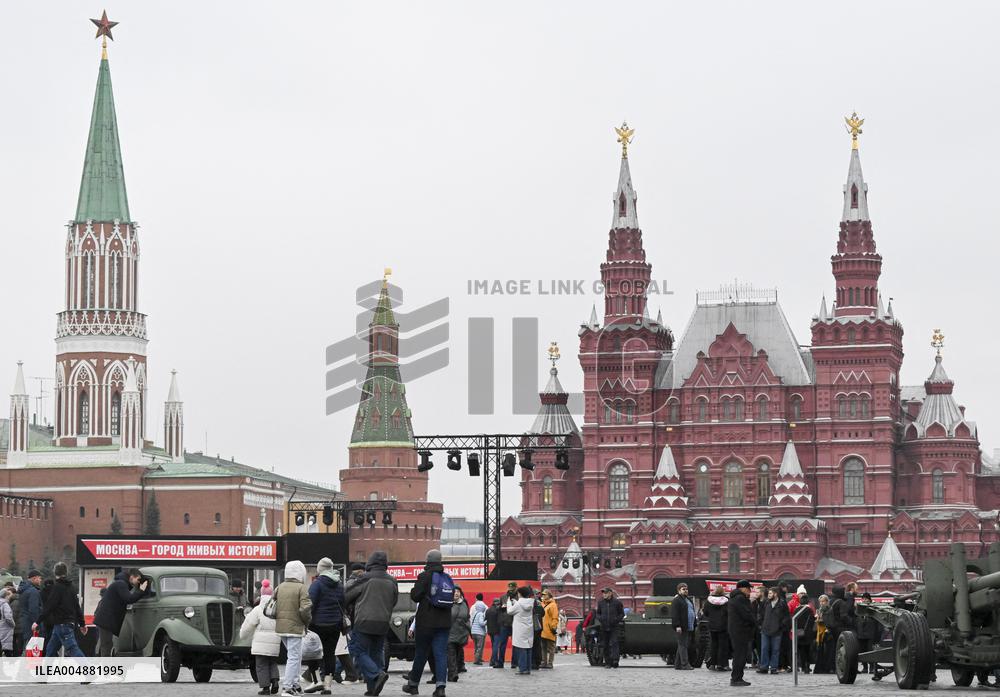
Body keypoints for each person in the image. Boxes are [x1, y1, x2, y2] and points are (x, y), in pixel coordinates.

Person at [343, 550, 395, 697]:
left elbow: (346, 595)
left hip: (364, 621)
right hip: (384, 622)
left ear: (370, 563)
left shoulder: (364, 578)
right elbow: (394, 600)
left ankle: (377, 674)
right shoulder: (392, 580)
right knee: (376, 653)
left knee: (356, 650)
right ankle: (372, 689)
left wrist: (352, 607)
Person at [403, 550, 452, 697]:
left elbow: (415, 596)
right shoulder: (447, 577)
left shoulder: (424, 576)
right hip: (444, 623)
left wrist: (415, 588)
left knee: (421, 653)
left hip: (426, 623)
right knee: (441, 654)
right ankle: (440, 687)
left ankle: (413, 685)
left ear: (427, 561)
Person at [275, 559, 313, 697]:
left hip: (281, 627)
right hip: (295, 627)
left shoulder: (280, 586)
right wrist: (307, 622)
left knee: (295, 656)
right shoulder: (301, 588)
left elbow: (273, 604)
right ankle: (287, 687)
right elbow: (305, 609)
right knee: (294, 657)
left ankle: (296, 685)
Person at [308, 557, 345, 694]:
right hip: (335, 624)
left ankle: (317, 680)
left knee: (312, 653)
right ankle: (328, 686)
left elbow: (310, 604)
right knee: (330, 654)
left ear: (320, 569)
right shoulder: (339, 585)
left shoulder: (317, 584)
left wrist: (307, 622)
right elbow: (343, 604)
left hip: (317, 625)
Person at [93, 568, 150, 657]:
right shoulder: (121, 584)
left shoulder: (121, 583)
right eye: (138, 579)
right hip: (106, 620)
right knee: (106, 646)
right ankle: (106, 668)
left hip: (106, 620)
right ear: (132, 577)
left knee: (107, 644)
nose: (138, 582)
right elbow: (129, 599)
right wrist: (141, 590)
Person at [37, 562, 87, 657]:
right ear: (66, 572)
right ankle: (46, 670)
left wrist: (38, 621)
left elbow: (49, 606)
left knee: (72, 649)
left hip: (62, 624)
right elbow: (77, 607)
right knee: (50, 649)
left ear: (55, 573)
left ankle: (87, 669)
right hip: (65, 624)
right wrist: (82, 624)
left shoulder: (57, 587)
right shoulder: (71, 587)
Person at [240, 579, 281, 695]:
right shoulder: (277, 609)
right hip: (275, 641)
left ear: (261, 594)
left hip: (260, 643)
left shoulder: (258, 609)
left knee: (261, 665)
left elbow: (248, 624)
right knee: (272, 662)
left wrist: (242, 635)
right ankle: (275, 680)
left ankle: (265, 688)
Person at [727, 580, 755, 687]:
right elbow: (746, 614)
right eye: (748, 588)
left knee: (739, 655)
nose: (750, 591)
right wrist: (754, 622)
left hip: (736, 630)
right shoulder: (740, 599)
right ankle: (736, 678)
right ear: (742, 588)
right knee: (740, 655)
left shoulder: (735, 598)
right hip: (741, 630)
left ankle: (737, 677)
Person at [758, 587, 789, 675]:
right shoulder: (766, 602)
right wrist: (760, 625)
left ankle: (774, 667)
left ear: (776, 594)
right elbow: (760, 614)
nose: (769, 595)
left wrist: (781, 626)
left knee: (775, 650)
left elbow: (786, 617)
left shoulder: (782, 603)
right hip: (765, 630)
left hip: (777, 631)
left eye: (770, 593)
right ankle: (764, 667)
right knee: (764, 649)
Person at [506, 586, 535, 675]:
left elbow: (510, 611)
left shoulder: (518, 604)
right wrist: (515, 602)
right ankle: (528, 668)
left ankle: (522, 668)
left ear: (520, 594)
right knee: (528, 648)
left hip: (520, 629)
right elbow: (521, 605)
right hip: (528, 628)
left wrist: (509, 603)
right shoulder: (530, 603)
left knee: (521, 649)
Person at [702, 585, 730, 672]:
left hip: (712, 626)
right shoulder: (726, 601)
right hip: (723, 626)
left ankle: (712, 664)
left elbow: (705, 612)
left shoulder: (709, 600)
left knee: (713, 645)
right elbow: (729, 613)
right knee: (723, 646)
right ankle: (722, 664)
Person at [596, 587, 625, 669]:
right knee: (605, 645)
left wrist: (616, 620)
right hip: (604, 626)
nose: (604, 594)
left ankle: (615, 661)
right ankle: (608, 662)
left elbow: (621, 614)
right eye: (603, 593)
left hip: (614, 626)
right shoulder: (600, 602)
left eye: (605, 593)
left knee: (614, 643)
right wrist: (601, 619)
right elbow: (598, 613)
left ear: (610, 593)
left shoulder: (617, 602)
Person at [491, 582, 518, 668]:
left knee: (515, 644)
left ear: (516, 588)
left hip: (515, 623)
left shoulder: (518, 597)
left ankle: (514, 663)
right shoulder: (503, 597)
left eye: (512, 589)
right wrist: (501, 607)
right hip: (504, 623)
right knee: (502, 644)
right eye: (509, 588)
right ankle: (500, 662)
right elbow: (497, 609)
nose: (511, 590)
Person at [446, 586, 470, 682]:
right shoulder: (447, 604)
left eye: (458, 592)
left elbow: (467, 618)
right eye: (454, 591)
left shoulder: (464, 604)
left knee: (457, 654)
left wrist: (469, 630)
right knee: (451, 655)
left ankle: (456, 670)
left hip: (461, 634)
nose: (456, 593)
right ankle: (453, 674)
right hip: (450, 633)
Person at [670, 583, 695, 670]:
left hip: (688, 625)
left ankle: (677, 664)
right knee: (683, 645)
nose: (685, 590)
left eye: (686, 589)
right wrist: (677, 626)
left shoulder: (687, 599)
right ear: (679, 590)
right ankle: (685, 664)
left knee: (682, 645)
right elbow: (675, 614)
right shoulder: (677, 600)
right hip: (681, 626)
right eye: (683, 589)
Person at [17, 569, 42, 656]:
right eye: (39, 578)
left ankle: (23, 668)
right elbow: (33, 609)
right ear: (34, 578)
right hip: (31, 624)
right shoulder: (33, 592)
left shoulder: (24, 590)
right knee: (31, 649)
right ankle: (24, 669)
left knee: (28, 647)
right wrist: (37, 622)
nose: (40, 580)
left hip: (24, 622)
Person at [793, 587, 815, 674]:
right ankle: (807, 666)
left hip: (799, 633)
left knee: (801, 651)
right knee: (808, 650)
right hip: (808, 633)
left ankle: (802, 666)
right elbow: (812, 620)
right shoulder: (809, 610)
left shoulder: (796, 610)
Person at [812, 594, 833, 674]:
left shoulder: (830, 609)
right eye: (820, 602)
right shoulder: (820, 610)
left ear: (827, 601)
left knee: (827, 651)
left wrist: (822, 620)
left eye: (823, 601)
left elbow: (830, 621)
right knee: (820, 651)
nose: (821, 603)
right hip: (820, 632)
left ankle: (827, 668)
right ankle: (820, 668)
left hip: (827, 632)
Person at [539, 590, 558, 669]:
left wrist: (553, 627)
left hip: (549, 629)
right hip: (542, 629)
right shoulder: (542, 604)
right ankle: (544, 662)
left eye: (545, 594)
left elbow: (555, 617)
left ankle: (550, 663)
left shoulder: (553, 605)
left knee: (551, 647)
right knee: (543, 647)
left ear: (549, 595)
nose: (543, 596)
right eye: (543, 594)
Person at [469, 593, 488, 665]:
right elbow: (483, 621)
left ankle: (477, 658)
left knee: (476, 646)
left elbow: (470, 618)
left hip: (474, 630)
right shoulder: (485, 607)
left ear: (476, 598)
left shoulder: (473, 607)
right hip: (480, 631)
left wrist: (471, 628)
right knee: (480, 646)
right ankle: (478, 658)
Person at [485, 598, 502, 666]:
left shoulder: (488, 610)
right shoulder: (498, 610)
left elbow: (485, 619)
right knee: (496, 646)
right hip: (497, 630)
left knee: (493, 645)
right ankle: (494, 661)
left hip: (490, 630)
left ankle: (493, 660)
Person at [531, 590, 544, 670]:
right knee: (538, 645)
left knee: (532, 645)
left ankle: (532, 662)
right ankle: (537, 662)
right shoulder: (539, 603)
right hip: (539, 627)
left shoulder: (529, 602)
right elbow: (543, 613)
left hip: (531, 627)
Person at [0, 588, 15, 657]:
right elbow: (8, 617)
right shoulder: (5, 604)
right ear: (6, 596)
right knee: (7, 648)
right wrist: (13, 624)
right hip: (6, 628)